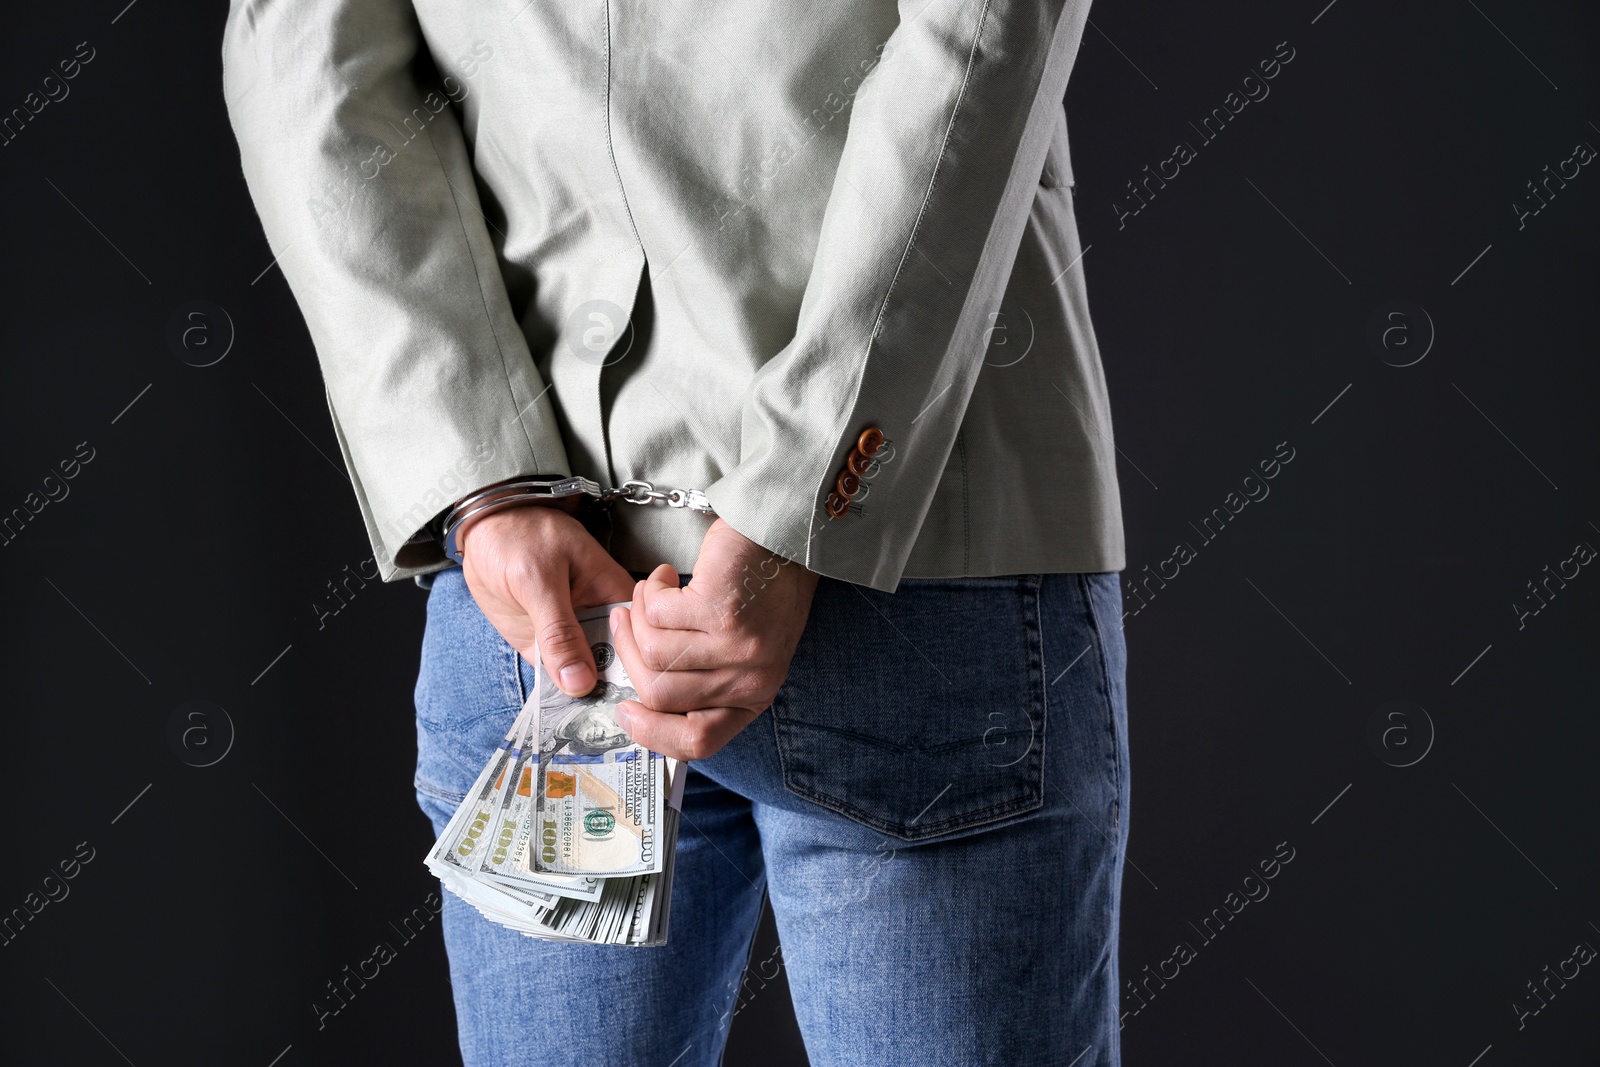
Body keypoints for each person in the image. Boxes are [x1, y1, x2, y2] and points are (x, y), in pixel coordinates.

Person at [222, 0, 1129, 1063]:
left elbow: (303, 67)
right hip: (905, 556)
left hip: (553, 587)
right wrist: (806, 492)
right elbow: (981, 35)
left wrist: (479, 480)